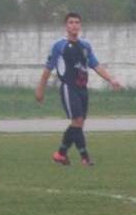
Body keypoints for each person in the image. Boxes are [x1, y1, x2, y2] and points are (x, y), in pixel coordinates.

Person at [34, 12, 122, 166]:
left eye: (77, 22)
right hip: (69, 87)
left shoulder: (85, 46)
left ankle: (61, 154)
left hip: (82, 89)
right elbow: (48, 69)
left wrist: (111, 80)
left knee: (78, 124)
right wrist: (40, 89)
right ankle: (85, 158)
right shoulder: (59, 46)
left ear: (80, 25)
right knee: (78, 120)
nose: (74, 25)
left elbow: (96, 65)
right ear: (66, 26)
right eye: (71, 22)